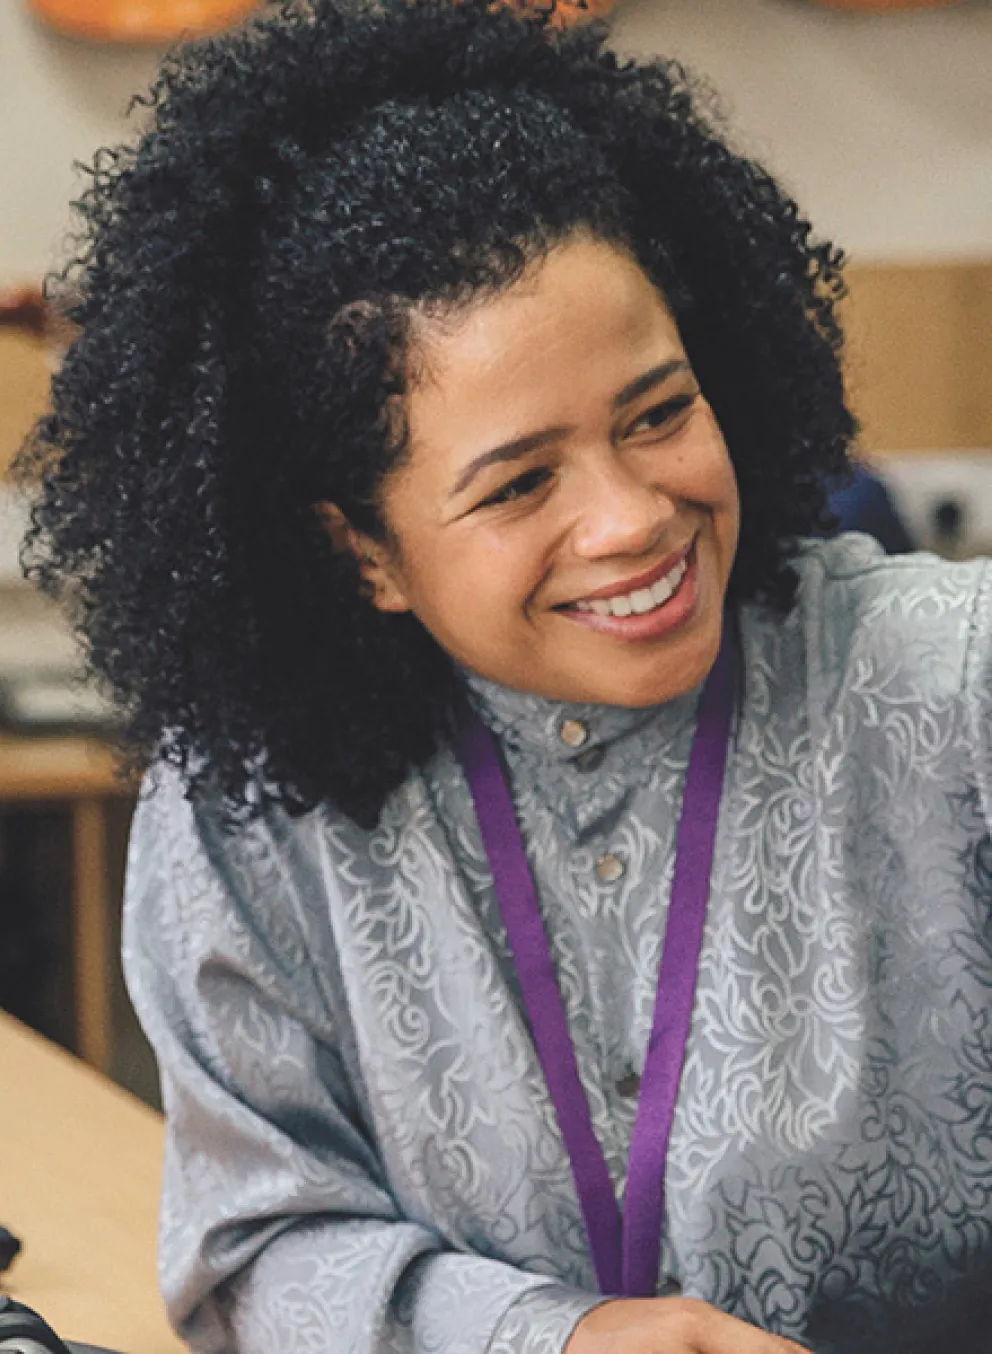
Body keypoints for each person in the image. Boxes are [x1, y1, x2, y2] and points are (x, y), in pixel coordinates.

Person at [17, 2, 992, 1351]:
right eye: (522, 481)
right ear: (361, 549)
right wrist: (551, 1338)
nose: (633, 517)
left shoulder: (948, 690)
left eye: (660, 413)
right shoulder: (258, 799)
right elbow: (254, 1249)